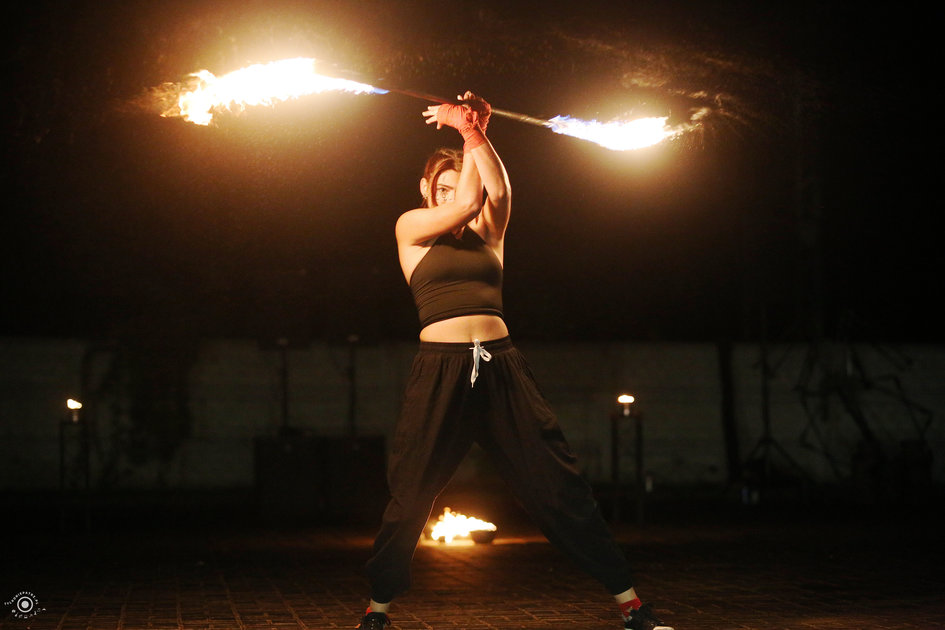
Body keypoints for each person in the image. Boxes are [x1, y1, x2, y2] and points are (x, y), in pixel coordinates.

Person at [357, 91, 673, 630]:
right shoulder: (411, 228)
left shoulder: (489, 232)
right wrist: (465, 134)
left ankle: (630, 604)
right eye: (440, 188)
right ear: (425, 190)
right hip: (440, 373)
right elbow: (463, 203)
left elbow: (495, 190)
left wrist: (477, 132)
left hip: (502, 369)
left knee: (558, 486)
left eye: (458, 185)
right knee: (410, 496)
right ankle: (377, 609)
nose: (450, 195)